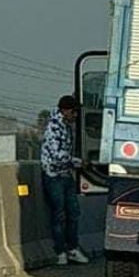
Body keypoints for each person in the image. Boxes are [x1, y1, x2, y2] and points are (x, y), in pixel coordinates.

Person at [40, 95, 89, 266]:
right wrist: (77, 162)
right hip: (54, 175)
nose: (75, 116)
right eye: (74, 112)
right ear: (66, 110)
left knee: (73, 213)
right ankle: (61, 251)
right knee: (59, 214)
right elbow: (56, 156)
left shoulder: (66, 126)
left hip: (66, 174)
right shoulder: (54, 127)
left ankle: (72, 249)